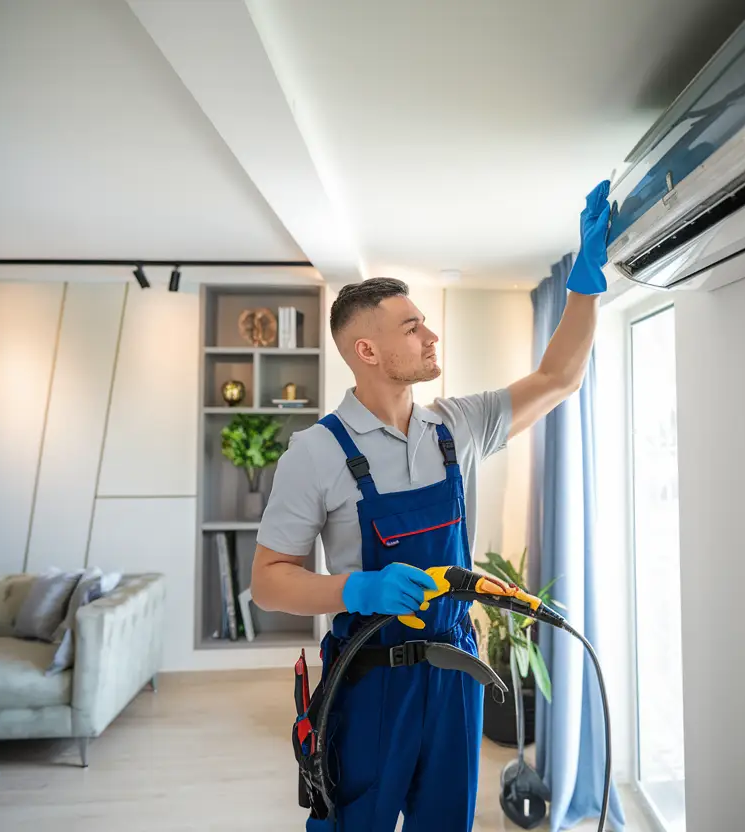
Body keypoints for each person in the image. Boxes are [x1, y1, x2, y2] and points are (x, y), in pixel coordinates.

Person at [250, 180, 613, 832]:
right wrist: (358, 588)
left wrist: (585, 284)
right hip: (367, 684)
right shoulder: (315, 453)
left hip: (455, 674)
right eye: (413, 327)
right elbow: (268, 583)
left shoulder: (458, 427)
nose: (431, 334)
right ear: (367, 351)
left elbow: (559, 378)